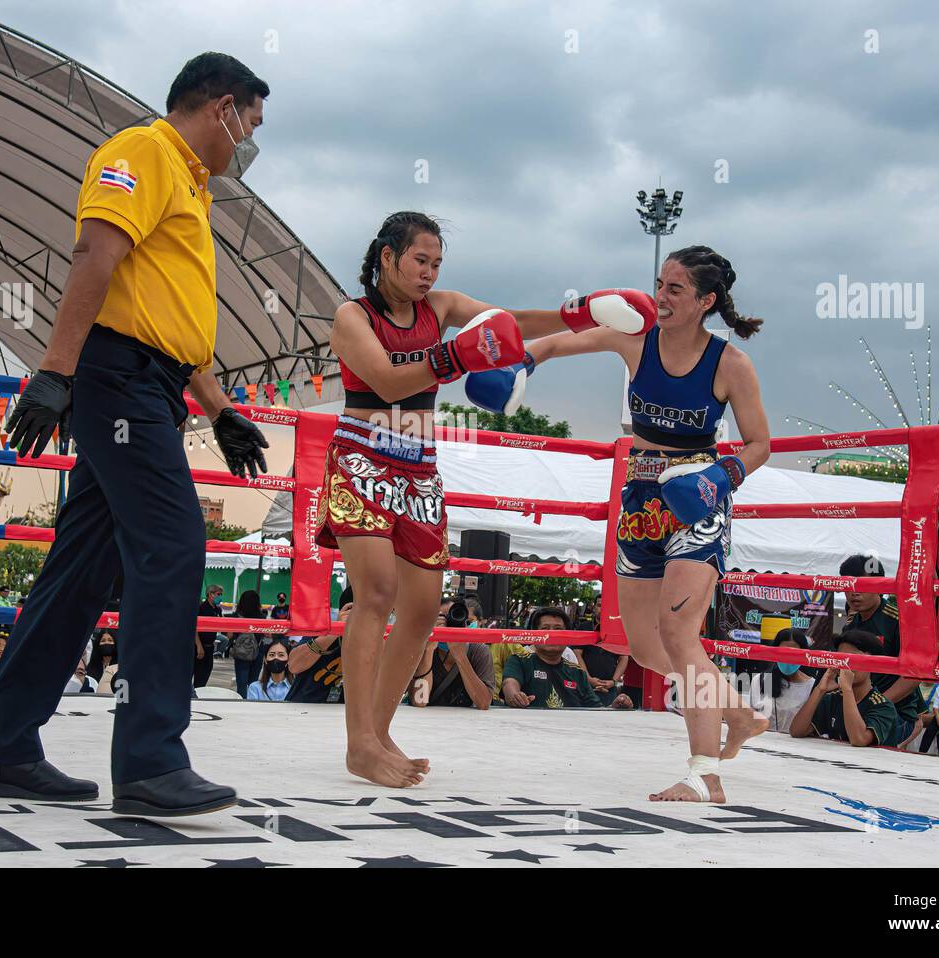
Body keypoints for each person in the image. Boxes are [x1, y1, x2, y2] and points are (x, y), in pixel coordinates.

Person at [0, 52, 271, 816]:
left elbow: (167, 318)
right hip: (117, 379)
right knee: (171, 543)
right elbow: (95, 257)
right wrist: (56, 371)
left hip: (150, 383)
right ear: (221, 106)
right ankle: (150, 759)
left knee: (80, 571)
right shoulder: (142, 151)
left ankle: (2, 747)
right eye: (252, 124)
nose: (251, 142)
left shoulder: (191, 187)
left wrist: (218, 407)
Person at [321, 211, 651, 786]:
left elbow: (508, 321)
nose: (429, 273)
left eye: (437, 263)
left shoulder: (441, 308)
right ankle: (358, 744)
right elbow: (390, 380)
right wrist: (460, 356)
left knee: (423, 609)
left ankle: (378, 732)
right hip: (361, 456)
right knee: (375, 593)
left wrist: (580, 313)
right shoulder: (354, 315)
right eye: (420, 260)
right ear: (388, 257)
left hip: (418, 465)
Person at [481, 245, 769, 800]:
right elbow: (568, 339)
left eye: (676, 289)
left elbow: (761, 443)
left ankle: (705, 774)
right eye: (660, 284)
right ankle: (737, 712)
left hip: (698, 499)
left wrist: (722, 475)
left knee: (680, 635)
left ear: (706, 301)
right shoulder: (637, 340)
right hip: (640, 495)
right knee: (643, 646)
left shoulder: (728, 363)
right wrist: (524, 362)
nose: (660, 296)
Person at [837, 555, 928, 746]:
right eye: (849, 587)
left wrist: (879, 703)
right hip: (863, 710)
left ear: (879, 585)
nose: (854, 594)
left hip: (896, 713)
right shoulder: (850, 624)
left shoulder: (899, 621)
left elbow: (916, 673)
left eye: (862, 586)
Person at [501, 608, 634, 710]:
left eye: (558, 629)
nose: (551, 634)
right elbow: (509, 685)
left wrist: (614, 708)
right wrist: (515, 696)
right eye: (545, 629)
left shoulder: (577, 673)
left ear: (567, 636)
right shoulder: (520, 661)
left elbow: (596, 709)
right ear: (534, 634)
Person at [789, 631, 898, 747]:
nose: (846, 665)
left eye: (852, 659)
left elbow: (859, 739)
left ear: (872, 663)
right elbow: (796, 731)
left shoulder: (883, 706)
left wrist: (847, 689)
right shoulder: (832, 699)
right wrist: (820, 689)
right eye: (841, 658)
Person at [409, 599, 495, 709]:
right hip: (427, 723)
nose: (448, 623)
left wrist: (460, 655)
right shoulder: (420, 649)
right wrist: (428, 650)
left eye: (455, 615)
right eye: (442, 618)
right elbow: (419, 701)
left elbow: (483, 703)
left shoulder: (479, 651)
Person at [286, 591, 350, 704]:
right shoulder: (321, 631)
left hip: (343, 713)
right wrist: (338, 629)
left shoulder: (376, 640)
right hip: (303, 708)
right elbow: (294, 666)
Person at [747, 628, 816, 733]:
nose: (788, 658)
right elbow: (752, 719)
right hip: (761, 744)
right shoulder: (759, 681)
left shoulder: (812, 687)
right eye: (783, 653)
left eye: (794, 654)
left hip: (796, 747)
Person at [226, 590, 266, 696]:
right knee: (253, 682)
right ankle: (251, 702)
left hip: (241, 653)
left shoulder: (235, 616)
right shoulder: (262, 617)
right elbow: (266, 635)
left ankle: (241, 702)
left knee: (241, 683)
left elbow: (229, 635)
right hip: (257, 652)